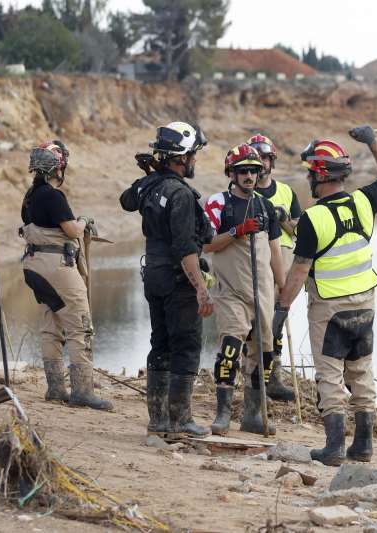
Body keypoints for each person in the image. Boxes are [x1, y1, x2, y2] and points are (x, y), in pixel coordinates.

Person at [274, 126, 377, 465]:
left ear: (320, 175)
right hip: (364, 304)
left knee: (329, 373)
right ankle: (363, 445)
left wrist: (281, 309)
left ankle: (333, 448)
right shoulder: (363, 202)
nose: (308, 179)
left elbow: (299, 271)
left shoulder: (315, 219)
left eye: (310, 173)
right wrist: (372, 141)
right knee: (361, 370)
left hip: (329, 308)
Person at [120, 122, 214, 438]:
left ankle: (157, 421)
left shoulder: (150, 186)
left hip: (154, 277)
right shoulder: (181, 195)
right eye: (193, 155)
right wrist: (200, 288)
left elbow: (126, 199)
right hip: (177, 279)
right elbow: (185, 248)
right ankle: (179, 421)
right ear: (181, 157)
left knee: (160, 344)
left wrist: (152, 172)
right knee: (185, 346)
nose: (195, 161)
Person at [20, 140, 112, 411]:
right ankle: (82, 391)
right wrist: (84, 222)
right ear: (59, 167)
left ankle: (56, 388)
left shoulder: (30, 195)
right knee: (80, 324)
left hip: (34, 265)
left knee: (52, 320)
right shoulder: (52, 195)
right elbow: (71, 231)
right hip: (56, 264)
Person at [203, 143, 286, 436]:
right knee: (230, 349)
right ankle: (223, 413)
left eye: (254, 170)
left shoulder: (265, 206)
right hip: (230, 291)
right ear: (231, 173)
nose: (249, 176)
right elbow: (205, 244)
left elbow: (275, 250)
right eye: (243, 171)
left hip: (262, 292)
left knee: (262, 355)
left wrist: (283, 287)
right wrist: (237, 231)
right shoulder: (218, 203)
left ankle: (253, 415)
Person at [249, 134, 302, 402]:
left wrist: (282, 218)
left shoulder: (287, 192)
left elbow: (299, 229)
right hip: (258, 259)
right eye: (256, 158)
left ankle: (275, 378)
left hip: (286, 257)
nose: (262, 163)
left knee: (279, 320)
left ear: (272, 161)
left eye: (265, 158)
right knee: (260, 321)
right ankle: (256, 379)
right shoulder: (244, 191)